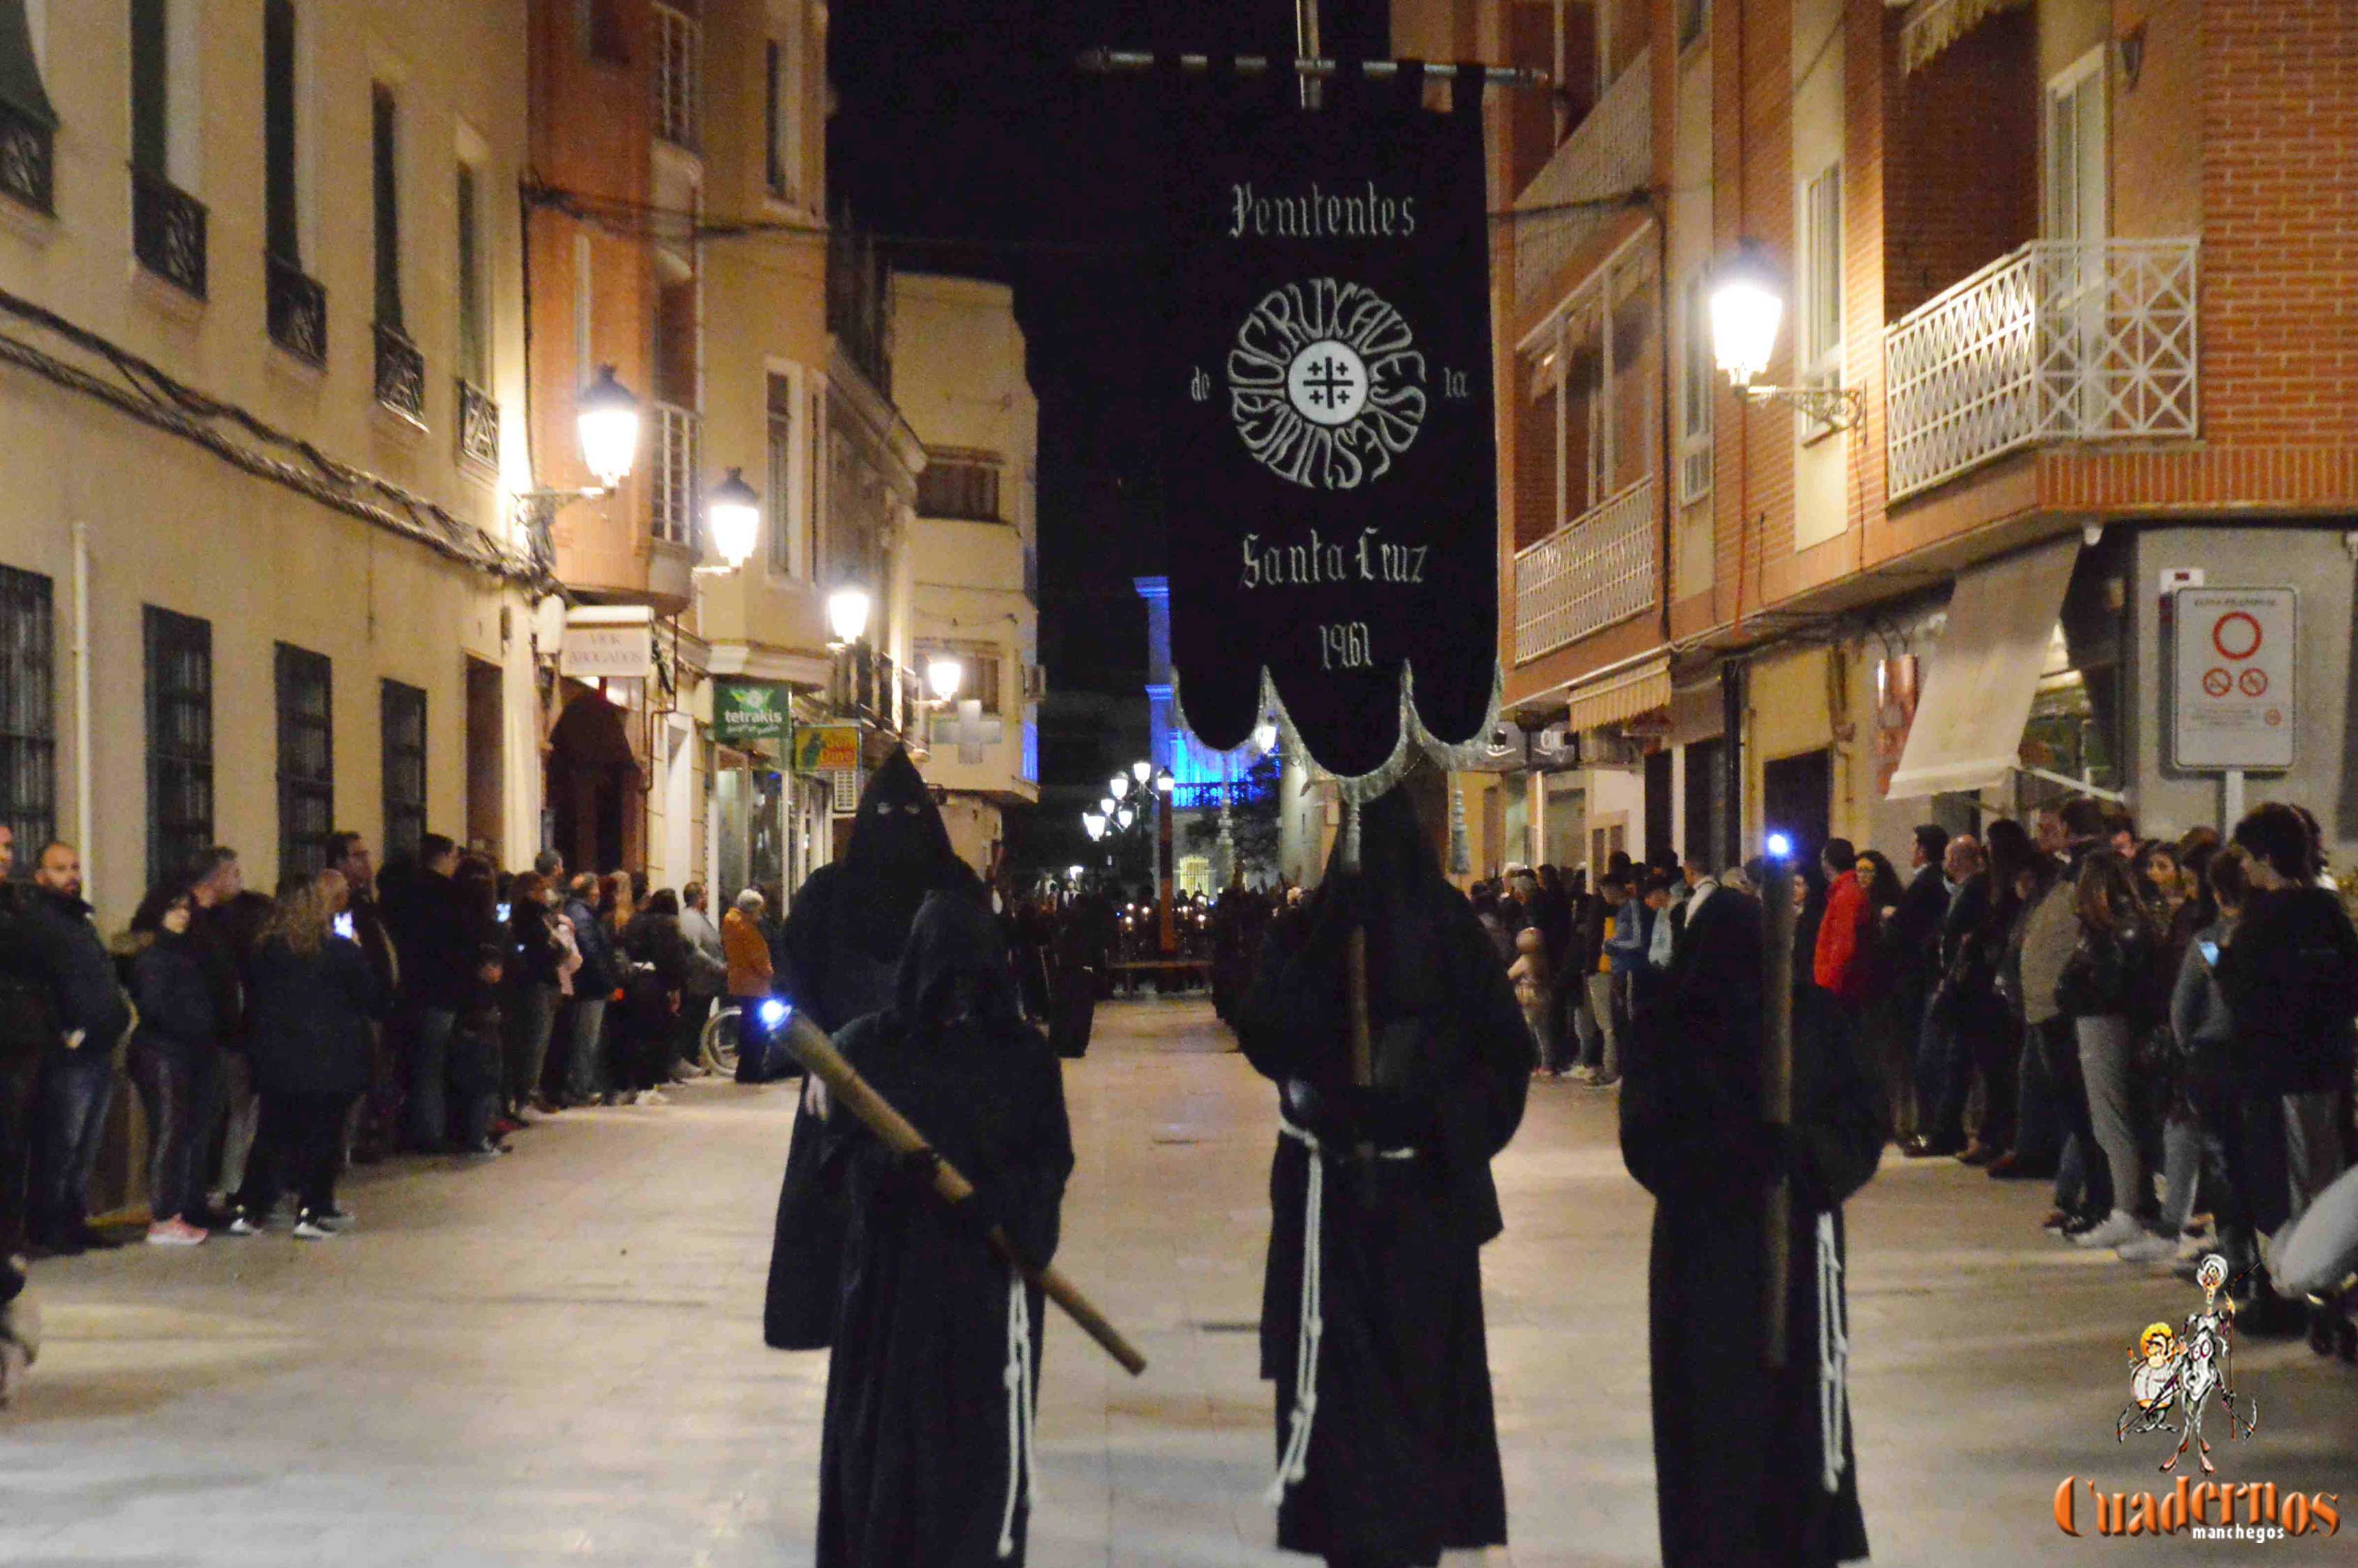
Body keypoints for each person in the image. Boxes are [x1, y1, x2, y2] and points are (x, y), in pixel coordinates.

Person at [1235, 786, 1530, 1568]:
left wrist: (1430, 1120)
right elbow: (1268, 1034)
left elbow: (1503, 1056)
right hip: (1330, 1204)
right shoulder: (1309, 928)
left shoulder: (1450, 934)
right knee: (1342, 1412)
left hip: (1422, 1205)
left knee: (1418, 1403)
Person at [1622, 858, 1882, 1568]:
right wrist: (1737, 1156)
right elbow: (1649, 1141)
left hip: (1796, 1243)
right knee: (1712, 1419)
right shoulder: (1671, 1029)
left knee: (1797, 1412)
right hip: (1705, 1251)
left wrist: (1801, 1158)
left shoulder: (1817, 1020)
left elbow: (1861, 1121)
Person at [805, 893, 1073, 1567]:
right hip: (893, 1296)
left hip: (987, 1295)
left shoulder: (1022, 1056)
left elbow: (1050, 1158)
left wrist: (1002, 1204)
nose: (955, 993)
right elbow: (832, 1160)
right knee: (885, 1462)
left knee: (976, 1472)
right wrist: (889, 1172)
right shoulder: (868, 1048)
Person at [765, 749, 982, 1351]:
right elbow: (795, 985)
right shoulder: (828, 896)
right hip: (840, 1080)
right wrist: (816, 1059)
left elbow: (982, 978)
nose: (897, 826)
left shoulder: (955, 889)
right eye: (886, 812)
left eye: (907, 813)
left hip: (930, 1088)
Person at [2214, 802, 2358, 1327]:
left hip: (2276, 1074)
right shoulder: (2330, 912)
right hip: (2329, 1070)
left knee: (2283, 1184)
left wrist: (2218, 958)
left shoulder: (2262, 920)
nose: (2246, 869)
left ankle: (2288, 1296)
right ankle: (2334, 1291)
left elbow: (2239, 992)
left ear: (2267, 857)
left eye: (2250, 857)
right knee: (2327, 1177)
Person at [229, 871, 385, 1238]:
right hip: (331, 1056)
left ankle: (250, 1208)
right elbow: (373, 999)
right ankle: (311, 1210)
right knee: (323, 1134)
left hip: (277, 1055)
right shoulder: (339, 952)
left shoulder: (263, 950)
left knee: (272, 1132)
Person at [22, 844, 133, 1256]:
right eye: (60, 869)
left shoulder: (79, 920)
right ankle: (47, 1225)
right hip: (70, 1050)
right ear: (40, 876)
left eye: (74, 867)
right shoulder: (40, 922)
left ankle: (73, 1219)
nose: (71, 875)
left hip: (99, 1046)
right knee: (61, 1142)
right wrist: (65, 1030)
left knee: (86, 1143)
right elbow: (44, 984)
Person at [2057, 851, 2167, 1259]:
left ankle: (2127, 1210)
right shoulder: (2129, 924)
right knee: (2115, 1120)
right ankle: (2129, 1206)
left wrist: (2072, 988)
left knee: (2112, 1121)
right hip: (2110, 1024)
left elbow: (2105, 981)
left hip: (2105, 1025)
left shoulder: (2111, 930)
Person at [125, 884, 218, 1245]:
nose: (182, 915)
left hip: (189, 1052)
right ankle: (165, 1215)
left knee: (186, 1130)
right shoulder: (154, 955)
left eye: (185, 908)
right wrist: (192, 1026)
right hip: (162, 1052)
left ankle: (183, 1205)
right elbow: (156, 1006)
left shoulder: (187, 950)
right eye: (174, 908)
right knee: (168, 1130)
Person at [501, 870, 564, 1122]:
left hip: (543, 982)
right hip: (534, 983)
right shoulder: (525, 917)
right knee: (533, 1042)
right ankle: (524, 1095)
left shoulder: (539, 916)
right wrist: (555, 949)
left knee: (539, 1042)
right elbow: (542, 949)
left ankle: (529, 1093)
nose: (543, 895)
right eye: (538, 890)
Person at [558, 873, 621, 1106]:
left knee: (584, 1038)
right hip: (589, 988)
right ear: (592, 892)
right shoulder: (583, 916)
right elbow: (592, 954)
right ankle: (580, 1088)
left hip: (585, 986)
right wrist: (607, 984)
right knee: (586, 1039)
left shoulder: (578, 912)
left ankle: (580, 1085)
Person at [723, 888, 777, 1081]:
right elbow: (759, 959)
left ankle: (744, 1070)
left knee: (747, 1027)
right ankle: (752, 1071)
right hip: (755, 985)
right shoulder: (747, 929)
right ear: (752, 909)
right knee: (757, 1030)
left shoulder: (730, 922)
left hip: (739, 981)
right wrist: (772, 975)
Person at [677, 881, 730, 1079]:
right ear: (699, 897)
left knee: (699, 1020)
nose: (708, 899)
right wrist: (718, 966)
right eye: (705, 895)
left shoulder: (696, 917)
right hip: (697, 982)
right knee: (693, 1021)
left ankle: (695, 1056)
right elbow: (693, 949)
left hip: (704, 982)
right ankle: (689, 1059)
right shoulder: (690, 919)